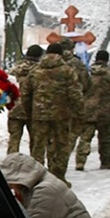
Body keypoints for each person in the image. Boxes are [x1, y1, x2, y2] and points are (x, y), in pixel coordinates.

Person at [24, 42, 84, 180]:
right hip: (61, 115)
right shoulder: (67, 71)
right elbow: (75, 94)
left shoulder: (35, 71)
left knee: (38, 146)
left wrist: (30, 112)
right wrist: (79, 112)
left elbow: (26, 94)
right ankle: (58, 176)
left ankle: (37, 177)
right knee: (61, 146)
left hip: (39, 115)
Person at [76, 49, 110, 170]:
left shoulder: (87, 74)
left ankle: (80, 162)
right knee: (105, 139)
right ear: (107, 60)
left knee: (85, 138)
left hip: (88, 111)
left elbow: (79, 90)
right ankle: (105, 162)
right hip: (105, 112)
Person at [6, 44, 43, 155]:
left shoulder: (15, 69)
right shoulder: (41, 71)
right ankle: (34, 162)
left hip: (15, 109)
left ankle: (11, 161)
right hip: (33, 110)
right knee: (35, 142)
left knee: (14, 139)